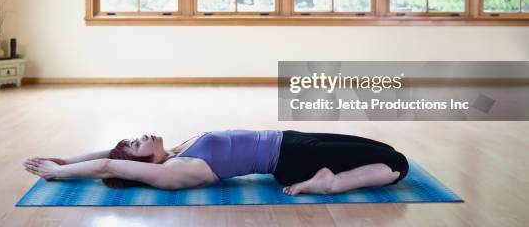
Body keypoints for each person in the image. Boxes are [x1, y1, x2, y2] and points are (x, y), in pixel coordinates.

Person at [23, 130, 409, 196]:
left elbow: (109, 155)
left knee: (385, 150)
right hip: (296, 159)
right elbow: (111, 166)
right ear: (142, 164)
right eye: (137, 144)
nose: (142, 136)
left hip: (291, 141)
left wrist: (69, 158)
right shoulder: (174, 172)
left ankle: (332, 179)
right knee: (397, 165)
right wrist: (59, 173)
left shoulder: (175, 152)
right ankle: (331, 184)